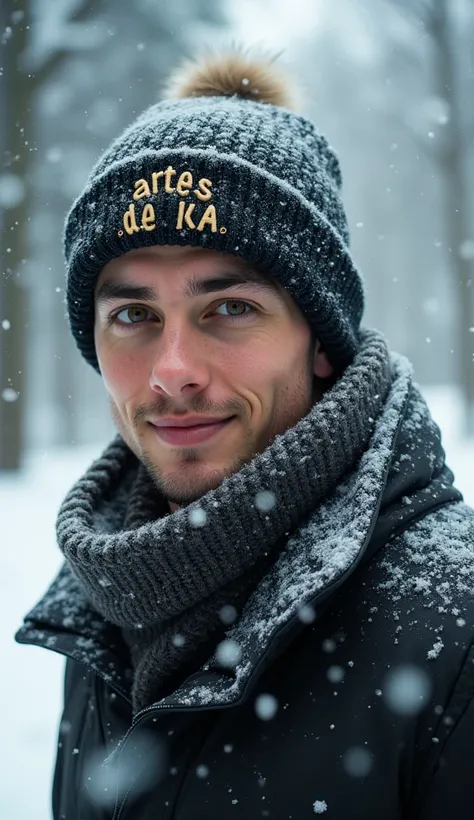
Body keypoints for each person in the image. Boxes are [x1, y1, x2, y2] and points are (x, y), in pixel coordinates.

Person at [15, 50, 474, 820]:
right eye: (132, 316)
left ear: (320, 340)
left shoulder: (453, 631)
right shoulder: (106, 602)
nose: (173, 371)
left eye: (228, 308)